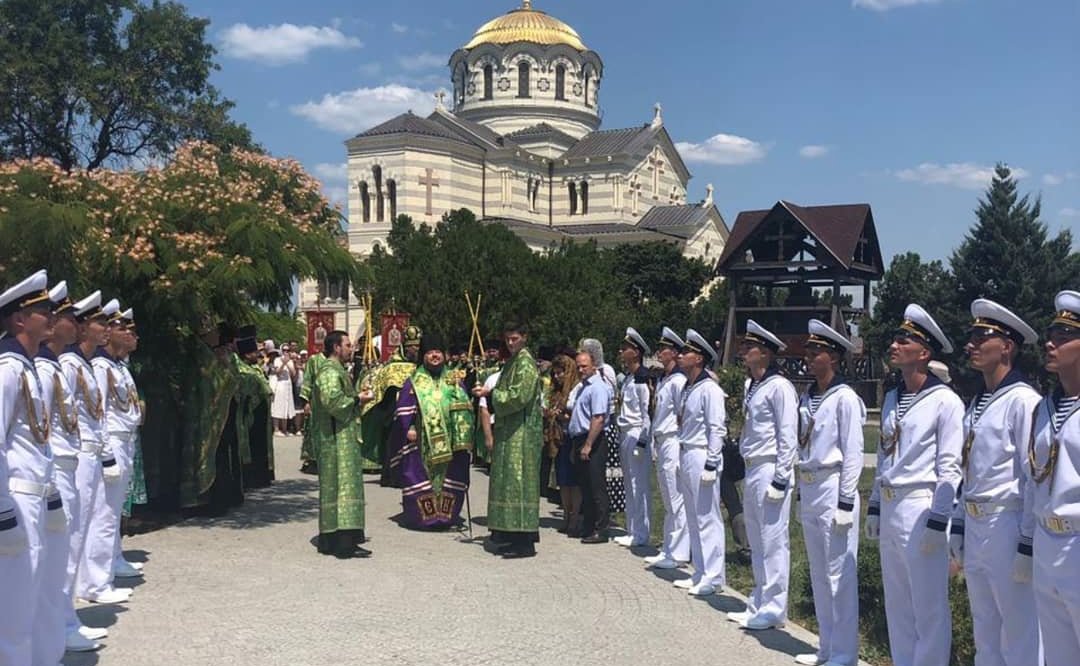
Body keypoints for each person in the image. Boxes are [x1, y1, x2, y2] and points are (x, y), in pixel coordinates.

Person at [866, 304, 963, 666]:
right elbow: (885, 453)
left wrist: (940, 520)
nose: (894, 344)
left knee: (929, 607)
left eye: (903, 340)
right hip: (892, 505)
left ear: (924, 353)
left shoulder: (945, 401)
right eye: (895, 338)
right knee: (898, 604)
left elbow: (950, 467)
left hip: (922, 505)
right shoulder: (893, 397)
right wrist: (875, 504)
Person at [949, 299, 1042, 666]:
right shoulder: (978, 401)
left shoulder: (1023, 401)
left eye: (981, 336)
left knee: (1018, 631)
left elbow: (1033, 475)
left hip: (1007, 521)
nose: (971, 344)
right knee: (984, 627)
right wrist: (958, 524)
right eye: (971, 335)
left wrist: (1027, 541)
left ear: (1006, 346)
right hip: (976, 522)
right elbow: (967, 468)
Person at [36, 281, 107, 653]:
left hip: (68, 460)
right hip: (54, 469)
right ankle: (59, 625)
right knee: (55, 550)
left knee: (67, 544)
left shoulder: (57, 366)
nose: (70, 323)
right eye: (67, 317)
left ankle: (63, 620)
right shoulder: (43, 367)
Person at [0, 269, 64, 664]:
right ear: (19, 319)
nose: (52, 317)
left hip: (35, 494)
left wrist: (52, 491)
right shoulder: (7, 371)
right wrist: (3, 514)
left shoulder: (29, 368)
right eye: (43, 310)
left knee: (37, 589)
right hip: (16, 499)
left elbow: (39, 440)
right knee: (14, 605)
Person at [794, 320, 865, 666]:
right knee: (820, 573)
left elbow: (853, 453)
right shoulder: (809, 395)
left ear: (833, 357)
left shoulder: (844, 398)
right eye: (809, 350)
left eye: (816, 351)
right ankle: (826, 646)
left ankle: (845, 652)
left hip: (834, 484)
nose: (809, 356)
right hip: (810, 484)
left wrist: (846, 501)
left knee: (839, 574)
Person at [727, 319, 797, 630]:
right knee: (756, 537)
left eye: (749, 347)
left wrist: (781, 479)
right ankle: (758, 600)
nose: (743, 351)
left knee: (773, 539)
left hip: (770, 466)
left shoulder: (780, 386)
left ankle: (775, 607)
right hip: (752, 466)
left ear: (765, 353)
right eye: (743, 346)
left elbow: (788, 435)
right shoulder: (752, 385)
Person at [1024, 290, 1080, 666]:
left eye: (1063, 336)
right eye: (1051, 333)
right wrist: (1028, 539)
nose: (1050, 342)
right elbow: (1033, 479)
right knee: (1056, 653)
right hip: (1047, 539)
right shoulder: (1044, 407)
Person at [63, 293, 129, 604]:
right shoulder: (72, 364)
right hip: (79, 453)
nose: (105, 328)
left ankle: (94, 581)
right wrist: (105, 452)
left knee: (97, 517)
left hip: (97, 447)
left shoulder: (87, 364)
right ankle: (93, 584)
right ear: (82, 327)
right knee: (82, 526)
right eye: (100, 322)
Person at [387, 332, 474, 529]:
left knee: (449, 477)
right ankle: (422, 518)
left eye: (438, 352)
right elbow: (403, 408)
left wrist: (463, 434)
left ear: (444, 355)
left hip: (451, 441)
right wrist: (408, 426)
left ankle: (446, 517)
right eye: (430, 352)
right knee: (420, 475)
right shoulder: (414, 381)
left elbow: (465, 407)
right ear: (423, 355)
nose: (434, 355)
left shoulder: (454, 380)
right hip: (421, 440)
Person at [475, 323, 543, 558]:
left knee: (519, 483)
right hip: (508, 431)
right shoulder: (513, 362)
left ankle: (524, 541)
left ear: (524, 337)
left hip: (522, 434)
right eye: (507, 339)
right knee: (507, 483)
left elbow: (519, 396)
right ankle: (508, 534)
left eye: (514, 338)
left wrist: (490, 395)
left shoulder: (525, 363)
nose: (510, 343)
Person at [90, 300, 143, 590]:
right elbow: (97, 412)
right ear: (109, 332)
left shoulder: (117, 366)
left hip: (125, 439)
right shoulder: (100, 366)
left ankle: (113, 557)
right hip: (112, 440)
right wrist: (107, 453)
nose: (130, 334)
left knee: (115, 506)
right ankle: (99, 575)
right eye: (123, 328)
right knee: (105, 510)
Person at [670, 329, 728, 597]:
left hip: (703, 453)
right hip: (686, 451)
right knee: (693, 516)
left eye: (687, 352)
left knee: (707, 517)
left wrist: (711, 463)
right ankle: (700, 571)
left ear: (700, 358)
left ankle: (714, 576)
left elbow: (717, 429)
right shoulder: (687, 387)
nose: (681, 356)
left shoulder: (710, 389)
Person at [311, 330, 373, 558]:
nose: (351, 349)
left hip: (343, 438)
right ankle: (342, 542)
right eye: (347, 345)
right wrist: (358, 399)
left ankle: (340, 539)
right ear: (336, 348)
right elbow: (332, 401)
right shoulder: (328, 371)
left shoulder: (337, 370)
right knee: (341, 487)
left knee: (343, 487)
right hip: (335, 441)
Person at [644, 327, 690, 568]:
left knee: (675, 497)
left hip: (673, 439)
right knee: (667, 496)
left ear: (673, 352)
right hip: (662, 439)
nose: (659, 353)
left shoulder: (679, 381)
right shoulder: (666, 379)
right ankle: (670, 546)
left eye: (663, 349)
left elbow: (682, 414)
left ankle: (680, 551)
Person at [613, 327, 653, 548]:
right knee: (629, 483)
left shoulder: (642, 378)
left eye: (626, 348)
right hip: (626, 431)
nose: (622, 350)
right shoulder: (629, 377)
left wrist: (643, 441)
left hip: (637, 432)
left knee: (639, 485)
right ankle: (632, 529)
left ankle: (642, 532)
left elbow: (647, 412)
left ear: (636, 352)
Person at [569, 350, 613, 544]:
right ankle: (588, 525)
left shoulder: (598, 388)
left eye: (584, 366)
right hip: (579, 439)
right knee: (585, 486)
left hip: (593, 440)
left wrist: (588, 444)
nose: (580, 370)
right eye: (578, 366)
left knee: (596, 486)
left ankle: (601, 528)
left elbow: (598, 418)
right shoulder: (583, 387)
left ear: (594, 365)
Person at [235, 325, 274, 489]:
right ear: (245, 354)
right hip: (250, 412)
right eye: (253, 353)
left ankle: (263, 475)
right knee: (252, 445)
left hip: (262, 410)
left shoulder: (255, 368)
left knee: (262, 445)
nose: (256, 355)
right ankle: (253, 478)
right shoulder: (242, 369)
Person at [545, 353, 580, 534]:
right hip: (558, 439)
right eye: (555, 373)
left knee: (574, 481)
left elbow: (576, 414)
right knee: (563, 480)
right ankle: (566, 514)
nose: (557, 377)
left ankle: (575, 517)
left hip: (572, 437)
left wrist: (558, 415)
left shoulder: (576, 388)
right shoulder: (555, 391)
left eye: (561, 373)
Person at [269, 341, 296, 435]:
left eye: (288, 350)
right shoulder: (277, 360)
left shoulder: (291, 361)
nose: (286, 352)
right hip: (280, 384)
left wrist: (288, 363)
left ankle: (284, 429)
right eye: (284, 350)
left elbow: (293, 374)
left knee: (286, 406)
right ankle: (276, 429)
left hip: (288, 385)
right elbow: (277, 372)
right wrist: (283, 363)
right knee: (278, 406)